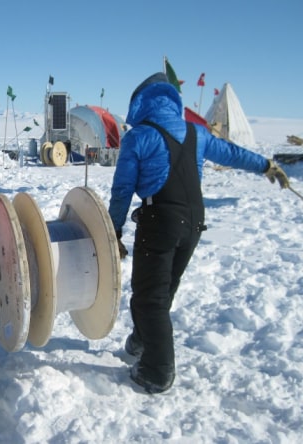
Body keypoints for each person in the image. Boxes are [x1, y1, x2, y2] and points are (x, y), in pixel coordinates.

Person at [108, 72, 289, 394]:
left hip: (159, 219)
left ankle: (156, 371)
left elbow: (122, 190)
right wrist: (265, 165)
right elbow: (231, 153)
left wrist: (113, 232)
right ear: (172, 100)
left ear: (140, 103)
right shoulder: (196, 132)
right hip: (193, 222)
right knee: (163, 290)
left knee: (150, 297)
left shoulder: (139, 136)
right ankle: (141, 341)